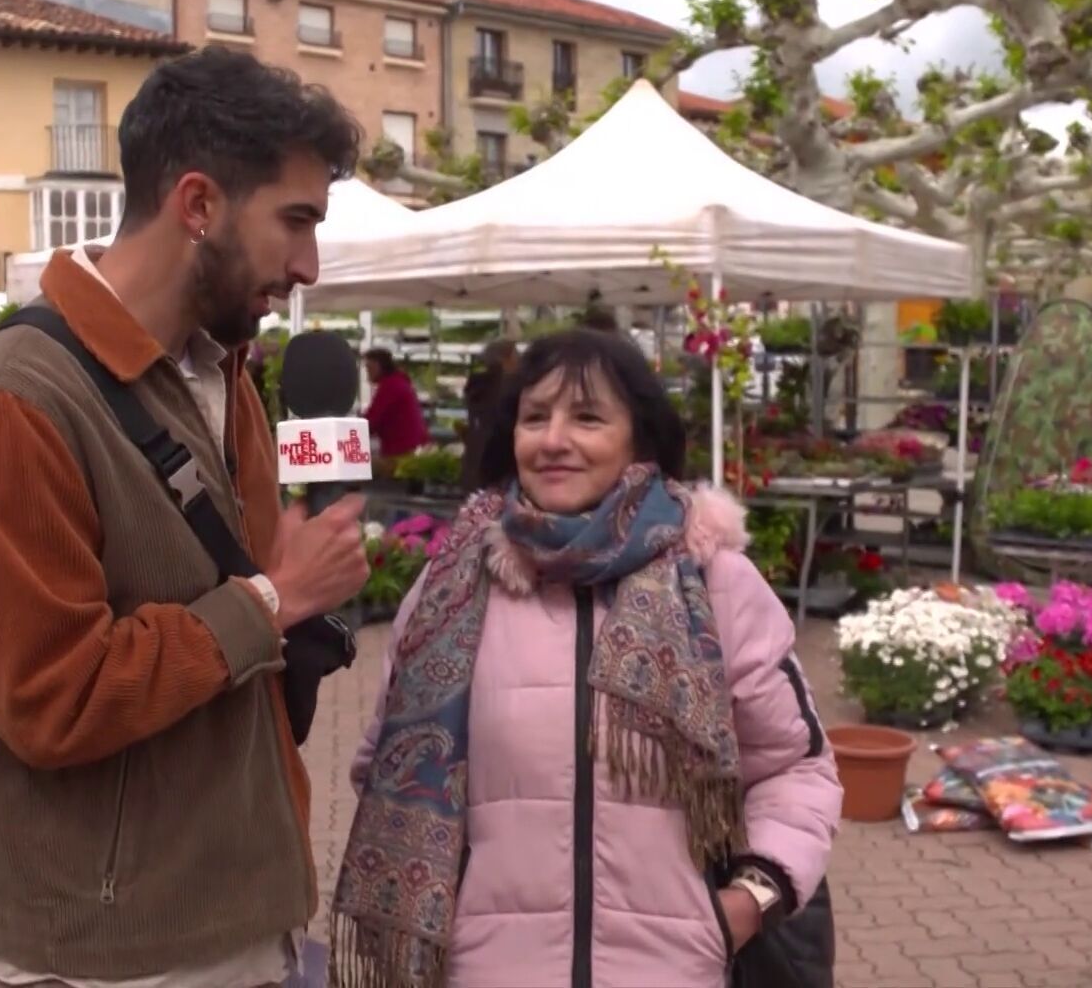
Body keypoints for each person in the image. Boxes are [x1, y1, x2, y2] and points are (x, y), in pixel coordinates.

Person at [0, 46, 372, 988]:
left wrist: (295, 608)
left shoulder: (226, 376)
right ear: (199, 204)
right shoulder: (17, 399)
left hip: (253, 926)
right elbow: (51, 700)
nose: (309, 264)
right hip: (114, 958)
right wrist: (268, 602)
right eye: (295, 221)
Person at [335, 328, 841, 987]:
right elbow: (387, 769)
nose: (553, 440)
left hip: (675, 971)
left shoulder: (715, 583)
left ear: (640, 437)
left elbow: (797, 768)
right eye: (535, 417)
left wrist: (748, 903)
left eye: (588, 417)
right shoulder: (450, 593)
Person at [456, 337, 518, 484]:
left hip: (475, 463)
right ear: (507, 358)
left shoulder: (478, 385)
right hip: (500, 467)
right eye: (516, 356)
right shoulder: (509, 387)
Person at [362, 348, 429, 477]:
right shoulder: (398, 382)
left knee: (352, 469)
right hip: (412, 450)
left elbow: (371, 421)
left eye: (369, 368)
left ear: (378, 366)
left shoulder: (390, 386)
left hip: (401, 455)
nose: (367, 373)